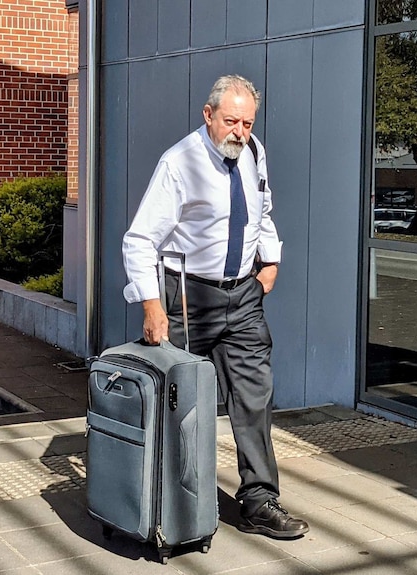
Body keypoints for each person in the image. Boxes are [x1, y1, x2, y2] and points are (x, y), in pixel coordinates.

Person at [121, 75, 309, 538]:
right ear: (208, 115)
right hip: (188, 298)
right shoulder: (179, 163)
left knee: (254, 398)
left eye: (247, 122)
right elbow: (140, 239)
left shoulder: (254, 152)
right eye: (231, 121)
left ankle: (260, 502)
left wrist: (271, 263)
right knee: (184, 404)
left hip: (243, 295)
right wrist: (151, 306)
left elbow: (261, 209)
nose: (240, 132)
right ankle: (179, 503)